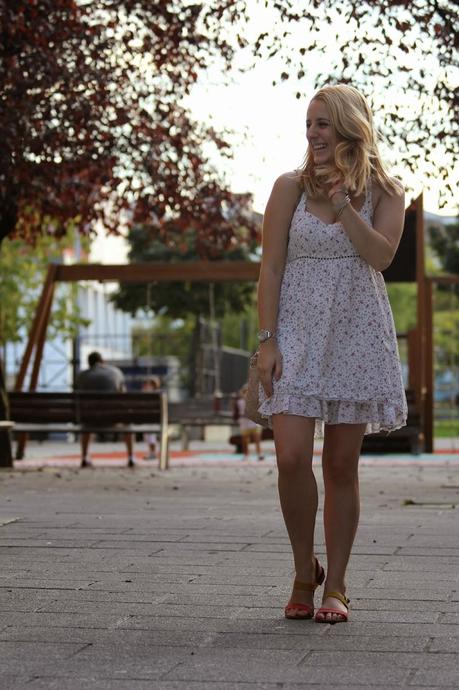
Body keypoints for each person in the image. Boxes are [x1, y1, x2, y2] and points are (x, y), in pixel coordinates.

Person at [256, 84, 407, 624]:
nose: (313, 134)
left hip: (356, 334)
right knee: (291, 457)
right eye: (309, 124)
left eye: (322, 123)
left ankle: (336, 585)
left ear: (348, 126)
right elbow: (270, 267)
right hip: (295, 332)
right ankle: (304, 568)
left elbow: (381, 256)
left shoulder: (387, 192)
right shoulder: (288, 188)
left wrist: (344, 204)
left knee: (341, 464)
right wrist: (267, 341)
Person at [75, 351, 134, 468]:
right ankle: (130, 457)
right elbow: (123, 395)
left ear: (89, 363)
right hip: (113, 418)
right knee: (127, 423)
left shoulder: (82, 376)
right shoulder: (116, 372)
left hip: (89, 419)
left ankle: (85, 456)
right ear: (102, 361)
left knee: (86, 424)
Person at [234, 384, 264, 461]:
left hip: (254, 422)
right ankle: (246, 455)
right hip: (244, 422)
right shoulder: (239, 402)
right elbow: (236, 413)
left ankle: (259, 454)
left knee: (257, 439)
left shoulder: (255, 401)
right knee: (245, 440)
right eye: (245, 392)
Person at [142, 375, 161, 459]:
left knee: (150, 436)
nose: (146, 387)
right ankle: (152, 452)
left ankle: (152, 453)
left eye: (148, 385)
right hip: (150, 420)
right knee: (148, 436)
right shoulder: (159, 394)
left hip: (152, 421)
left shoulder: (154, 395)